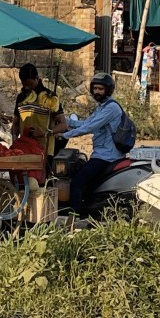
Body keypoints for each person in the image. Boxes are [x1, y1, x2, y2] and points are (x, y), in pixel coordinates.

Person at [58, 72, 132, 218]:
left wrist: (64, 135)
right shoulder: (102, 107)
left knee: (77, 182)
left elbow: (89, 128)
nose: (97, 92)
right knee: (86, 180)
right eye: (95, 89)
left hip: (107, 155)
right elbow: (86, 123)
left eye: (101, 89)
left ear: (108, 90)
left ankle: (77, 216)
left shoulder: (111, 108)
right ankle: (90, 211)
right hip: (101, 153)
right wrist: (64, 120)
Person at [13, 63, 62, 154]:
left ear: (37, 78)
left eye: (30, 84)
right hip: (24, 148)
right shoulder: (21, 97)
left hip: (45, 148)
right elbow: (16, 122)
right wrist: (14, 139)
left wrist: (46, 132)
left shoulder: (50, 97)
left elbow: (63, 124)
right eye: (25, 84)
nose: (28, 87)